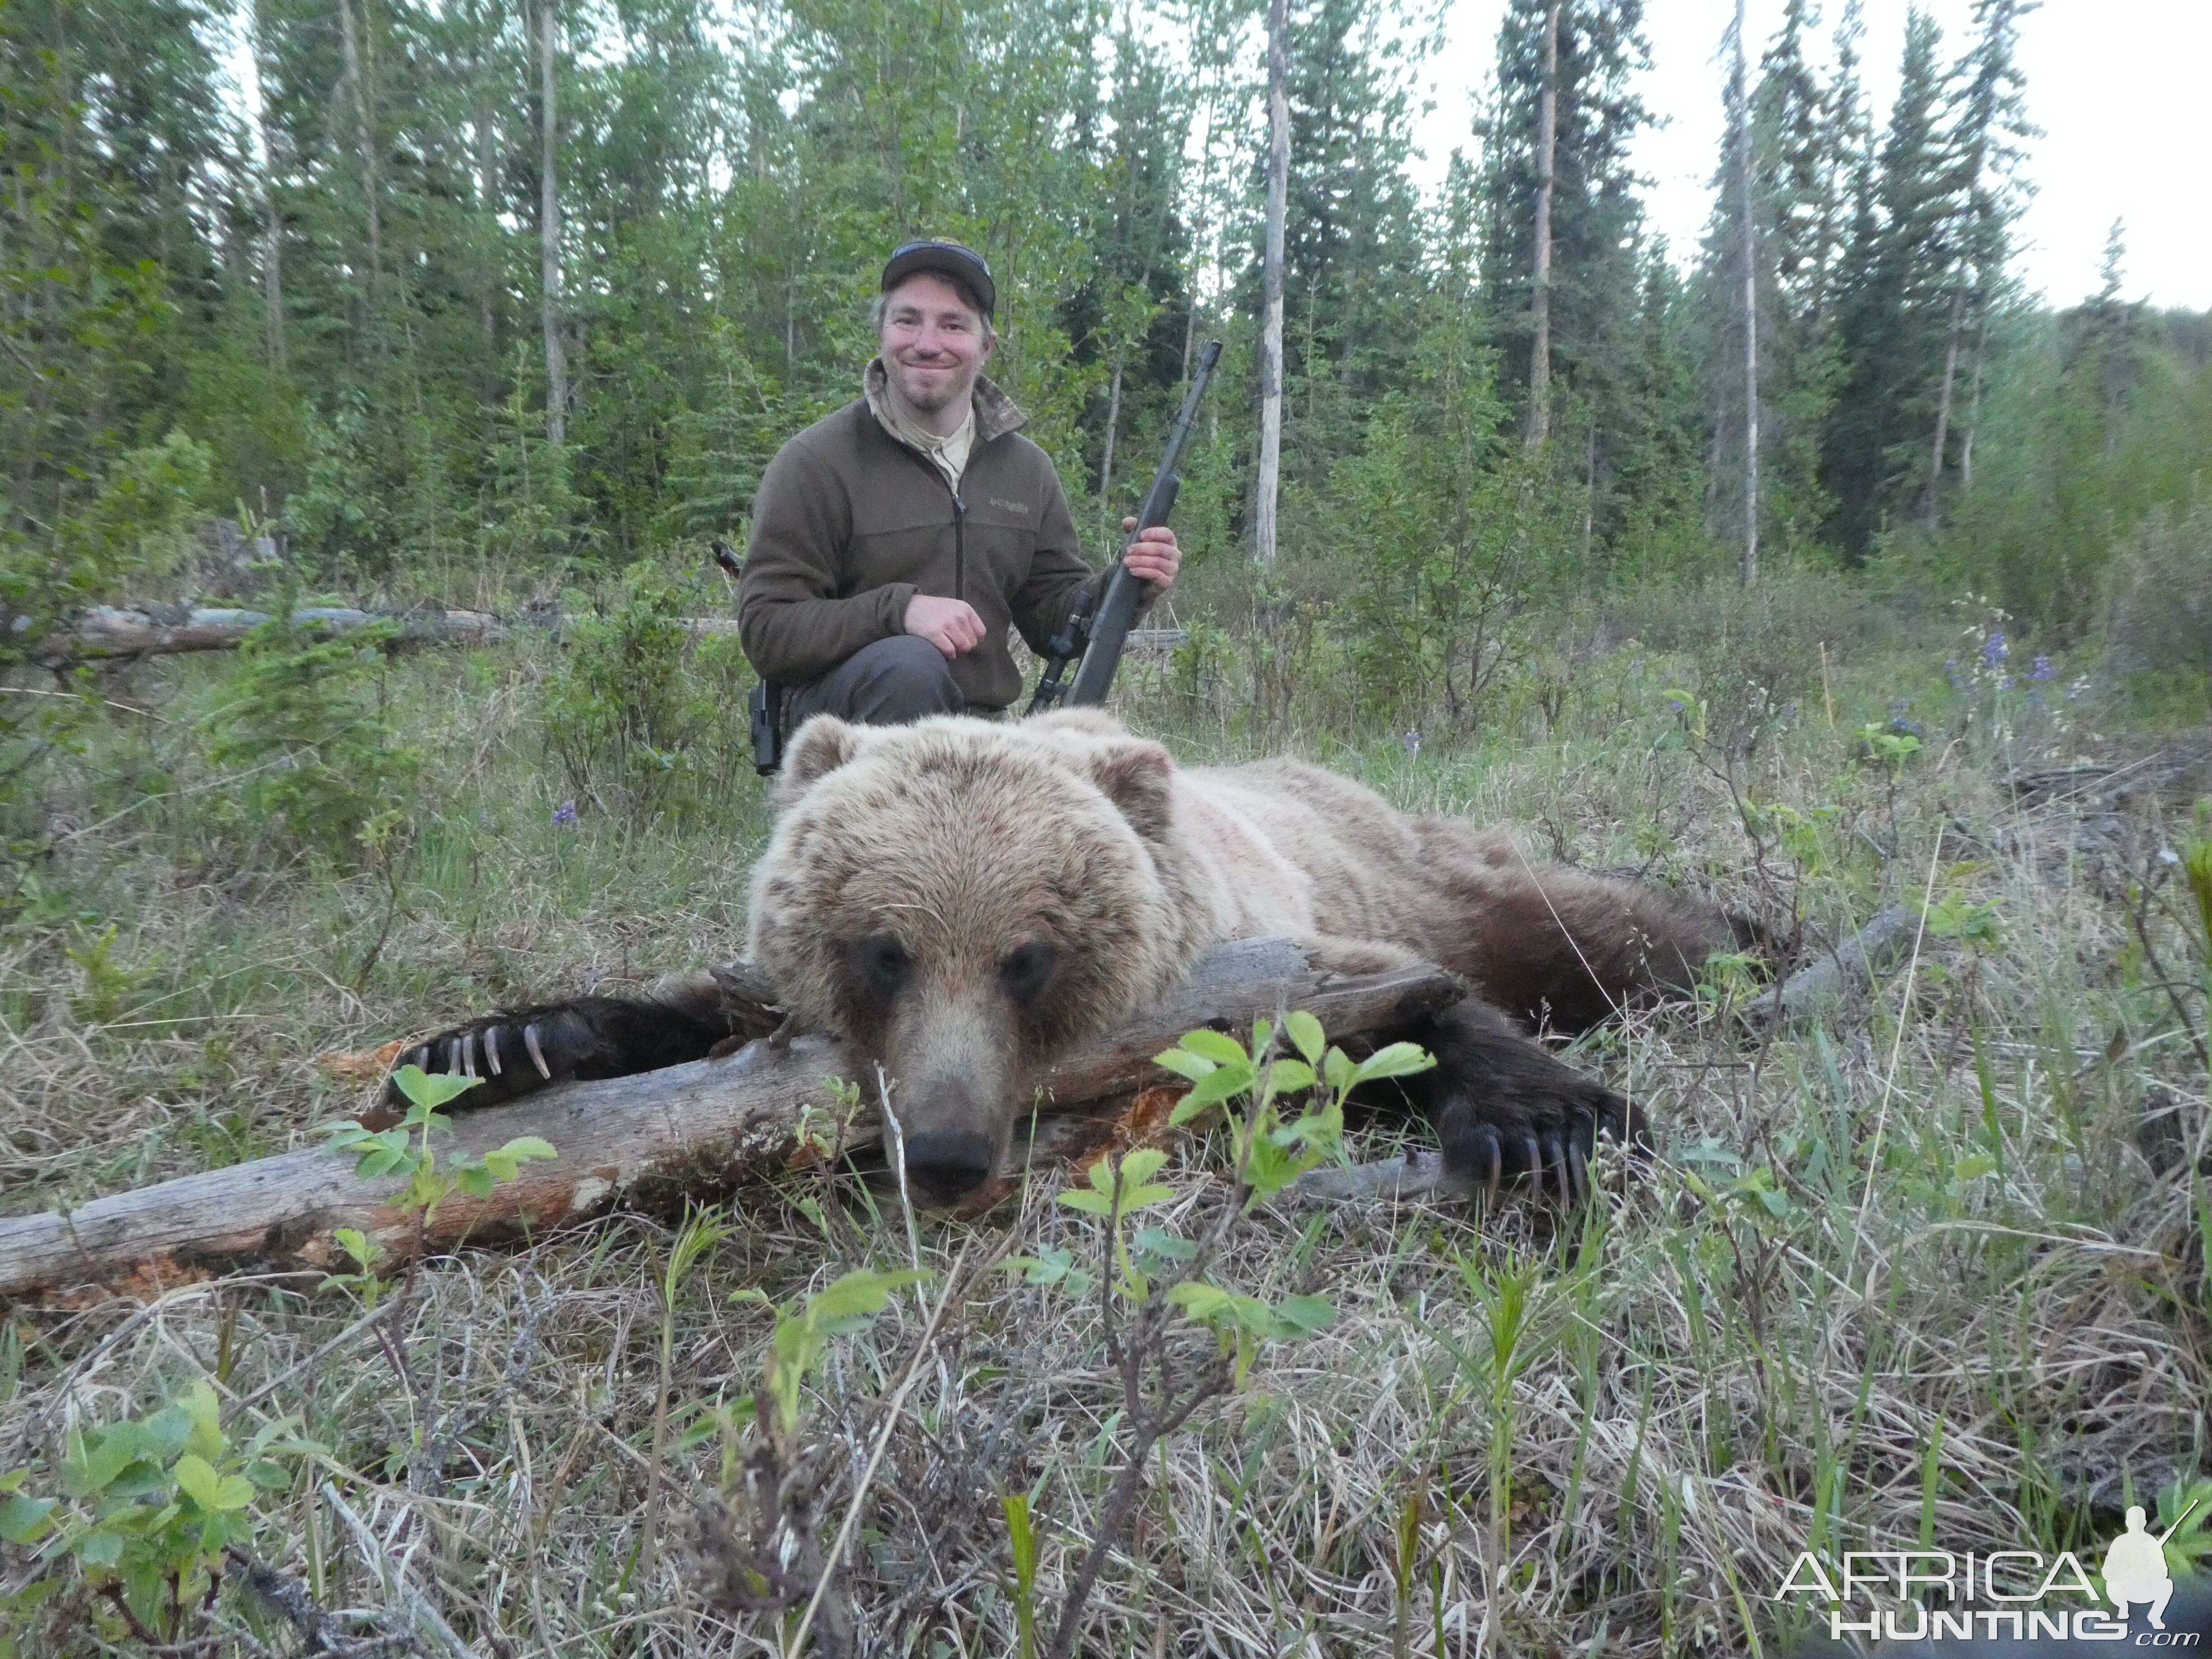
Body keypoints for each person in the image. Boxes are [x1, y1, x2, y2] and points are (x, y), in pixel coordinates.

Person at [736, 239, 1180, 728]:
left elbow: (1056, 625)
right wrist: (900, 612)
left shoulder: (1026, 471)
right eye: (908, 321)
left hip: (979, 742)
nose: (928, 344)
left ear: (985, 347)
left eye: (953, 324)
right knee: (908, 668)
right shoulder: (815, 463)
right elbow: (768, 632)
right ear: (881, 334)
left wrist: (1126, 583)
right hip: (846, 745)